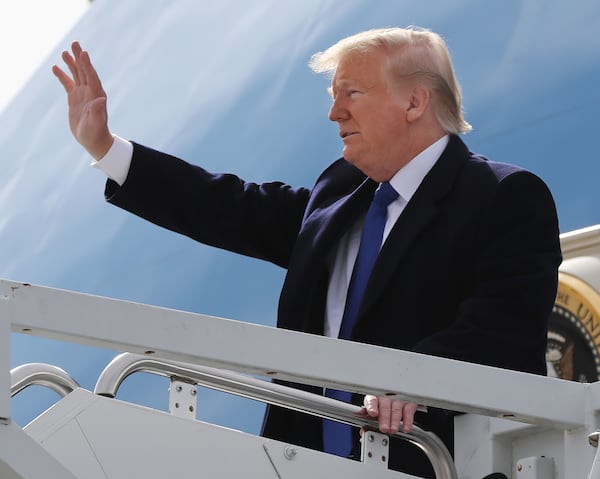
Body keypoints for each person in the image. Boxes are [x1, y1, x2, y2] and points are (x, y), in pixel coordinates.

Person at [53, 27, 562, 478]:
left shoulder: (503, 195)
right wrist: (106, 148)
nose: (333, 111)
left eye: (351, 93)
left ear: (414, 103)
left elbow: (504, 330)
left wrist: (412, 379)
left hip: (432, 462)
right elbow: (228, 206)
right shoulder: (340, 192)